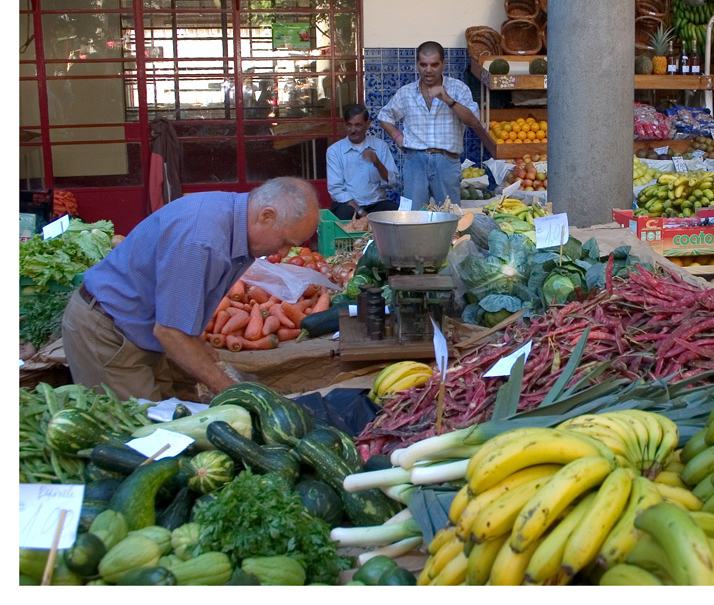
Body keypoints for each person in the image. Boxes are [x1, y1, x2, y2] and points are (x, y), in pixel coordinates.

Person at [61, 177, 320, 401]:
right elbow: (170, 332)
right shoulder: (202, 240)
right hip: (109, 332)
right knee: (137, 436)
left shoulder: (235, 225)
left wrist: (201, 349)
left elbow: (179, 316)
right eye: (286, 241)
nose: (285, 252)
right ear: (266, 215)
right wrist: (231, 391)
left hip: (142, 333)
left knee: (162, 420)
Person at [378, 41, 481, 207]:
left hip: (446, 161)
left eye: (434, 64)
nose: (428, 70)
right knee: (412, 217)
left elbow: (474, 121)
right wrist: (397, 137)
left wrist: (448, 100)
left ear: (443, 64)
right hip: (414, 160)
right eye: (423, 64)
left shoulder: (458, 89)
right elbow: (384, 116)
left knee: (449, 217)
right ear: (417, 65)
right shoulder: (406, 92)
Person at [327, 104, 399, 220]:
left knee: (395, 212)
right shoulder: (334, 151)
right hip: (349, 205)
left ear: (367, 125)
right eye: (349, 125)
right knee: (344, 213)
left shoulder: (380, 146)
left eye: (358, 125)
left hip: (375, 205)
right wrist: (361, 212)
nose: (353, 130)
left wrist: (377, 163)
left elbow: (392, 183)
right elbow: (336, 189)